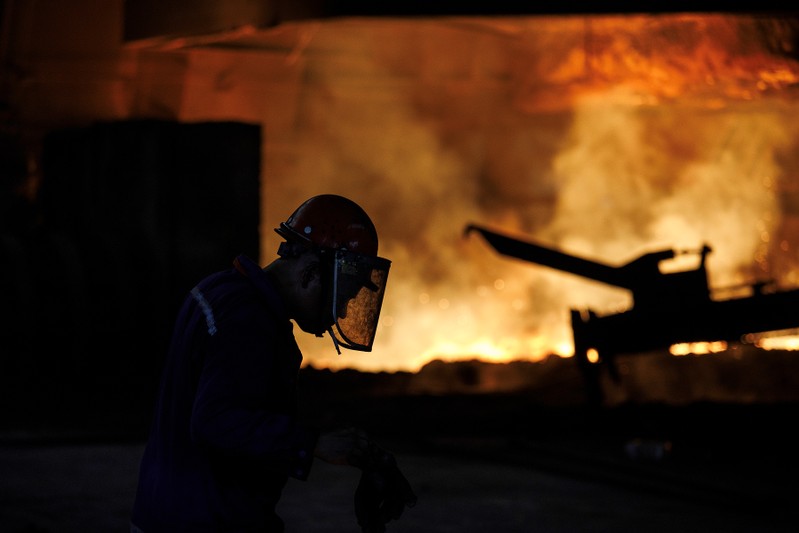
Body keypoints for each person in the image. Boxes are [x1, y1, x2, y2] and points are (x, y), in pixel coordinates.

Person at [131, 194, 415, 532]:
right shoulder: (248, 319)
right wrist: (313, 444)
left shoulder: (219, 291)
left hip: (174, 512)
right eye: (342, 295)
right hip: (206, 520)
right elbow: (216, 421)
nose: (339, 312)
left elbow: (235, 403)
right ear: (311, 271)